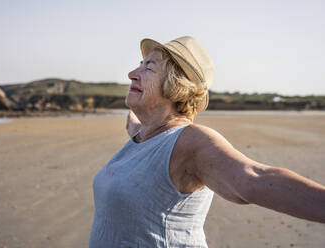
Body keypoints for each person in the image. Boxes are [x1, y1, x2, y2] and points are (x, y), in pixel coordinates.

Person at [89, 36, 325, 248]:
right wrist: (136, 114)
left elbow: (254, 178)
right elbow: (134, 127)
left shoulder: (191, 142)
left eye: (148, 67)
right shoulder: (144, 134)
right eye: (139, 64)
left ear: (175, 84)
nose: (132, 73)